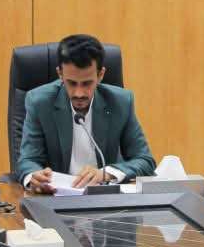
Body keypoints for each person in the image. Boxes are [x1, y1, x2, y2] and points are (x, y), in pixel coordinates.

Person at [17, 34, 155, 193]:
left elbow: (145, 161)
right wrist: (34, 177)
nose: (79, 93)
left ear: (100, 75)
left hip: (103, 198)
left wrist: (107, 173)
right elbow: (28, 161)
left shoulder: (121, 102)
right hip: (56, 197)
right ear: (60, 74)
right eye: (72, 83)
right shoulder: (39, 102)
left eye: (87, 83)